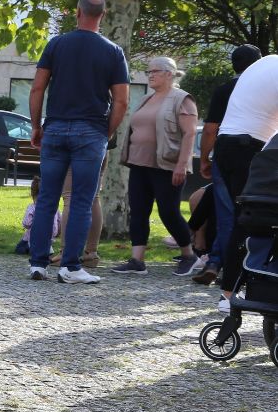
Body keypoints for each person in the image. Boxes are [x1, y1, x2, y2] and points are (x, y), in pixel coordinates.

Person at [27, 0, 129, 284]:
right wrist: (106, 132)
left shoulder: (57, 44)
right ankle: (70, 266)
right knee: (82, 200)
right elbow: (121, 101)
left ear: (77, 12)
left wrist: (37, 126)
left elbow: (37, 89)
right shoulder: (113, 51)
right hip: (91, 129)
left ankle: (37, 263)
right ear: (104, 15)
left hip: (56, 127)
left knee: (47, 197)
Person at [112, 57, 198, 275]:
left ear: (169, 74)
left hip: (167, 165)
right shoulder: (146, 99)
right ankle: (137, 261)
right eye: (148, 71)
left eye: (155, 71)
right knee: (138, 211)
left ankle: (189, 255)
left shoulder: (182, 99)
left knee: (169, 212)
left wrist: (181, 164)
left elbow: (189, 134)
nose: (150, 75)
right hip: (139, 163)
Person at [212, 52, 278, 312]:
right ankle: (230, 294)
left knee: (243, 219)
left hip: (228, 143)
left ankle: (231, 290)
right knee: (252, 219)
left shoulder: (266, 63)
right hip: (248, 146)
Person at [194, 44, 263, 286]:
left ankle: (217, 263)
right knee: (253, 211)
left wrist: (204, 158)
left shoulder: (225, 89)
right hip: (257, 154)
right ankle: (246, 268)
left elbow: (211, 128)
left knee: (227, 215)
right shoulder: (263, 89)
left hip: (224, 151)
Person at [16, 177, 61, 256]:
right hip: (50, 236)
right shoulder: (55, 208)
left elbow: (27, 223)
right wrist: (57, 232)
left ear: (33, 194)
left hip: (33, 237)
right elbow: (59, 221)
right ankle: (47, 248)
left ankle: (32, 248)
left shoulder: (32, 207)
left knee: (19, 248)